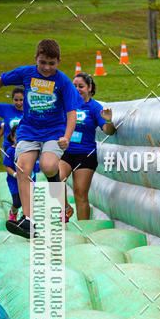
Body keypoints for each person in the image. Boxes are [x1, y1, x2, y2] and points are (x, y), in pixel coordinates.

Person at [0, 38, 81, 238]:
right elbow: (1, 79)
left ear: (58, 61)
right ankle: (28, 221)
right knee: (23, 167)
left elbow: (71, 113)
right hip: (29, 130)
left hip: (54, 131)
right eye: (42, 62)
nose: (47, 67)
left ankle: (57, 190)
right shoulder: (26, 73)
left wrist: (67, 137)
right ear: (36, 59)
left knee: (48, 166)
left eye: (51, 63)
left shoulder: (63, 81)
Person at [58, 72, 116, 220]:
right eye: (74, 86)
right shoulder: (66, 104)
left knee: (80, 193)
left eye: (81, 86)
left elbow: (108, 132)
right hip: (66, 152)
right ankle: (66, 209)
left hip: (86, 155)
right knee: (56, 180)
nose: (77, 89)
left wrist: (108, 121)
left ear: (89, 88)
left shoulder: (95, 107)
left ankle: (85, 230)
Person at [0, 84, 24, 152]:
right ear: (12, 99)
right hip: (9, 147)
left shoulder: (31, 111)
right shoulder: (6, 109)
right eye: (16, 100)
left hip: (25, 147)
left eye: (21, 100)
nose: (18, 103)